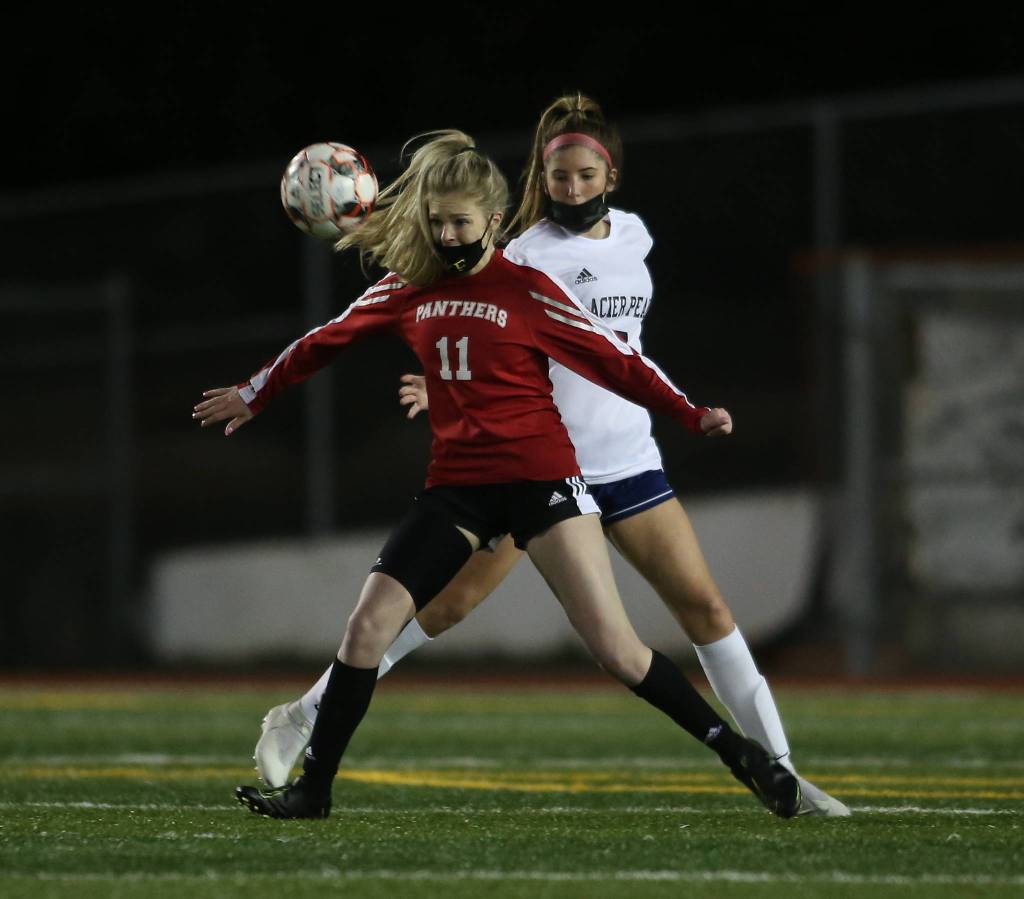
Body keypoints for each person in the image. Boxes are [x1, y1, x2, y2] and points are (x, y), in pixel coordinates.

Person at [252, 95, 851, 818]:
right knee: (445, 607)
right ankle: (306, 714)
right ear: (539, 178)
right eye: (557, 176)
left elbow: (617, 353)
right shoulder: (521, 252)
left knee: (705, 607)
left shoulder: (634, 236)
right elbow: (460, 314)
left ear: (610, 175)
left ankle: (782, 770)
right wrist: (442, 378)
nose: (569, 188)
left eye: (582, 174)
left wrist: (685, 412)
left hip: (627, 458)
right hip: (537, 461)